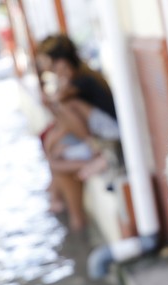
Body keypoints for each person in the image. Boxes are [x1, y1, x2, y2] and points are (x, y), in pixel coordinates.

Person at [36, 34, 121, 231]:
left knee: (56, 162)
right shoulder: (79, 78)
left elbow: (61, 110)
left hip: (109, 134)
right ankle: (73, 218)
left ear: (60, 61)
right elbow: (62, 121)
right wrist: (52, 145)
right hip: (101, 134)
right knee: (55, 162)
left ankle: (98, 155)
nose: (43, 64)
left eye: (45, 59)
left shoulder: (79, 82)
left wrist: (52, 143)